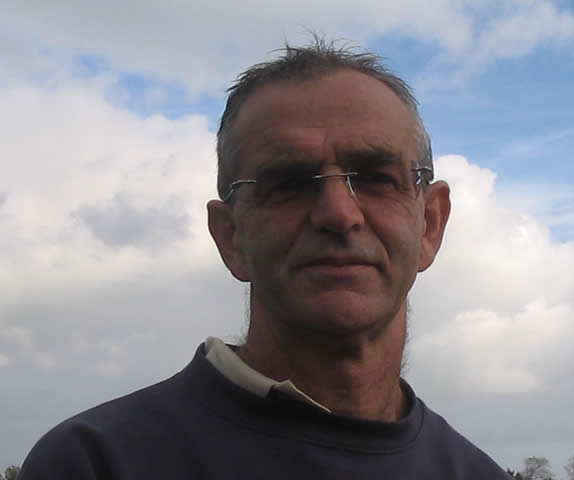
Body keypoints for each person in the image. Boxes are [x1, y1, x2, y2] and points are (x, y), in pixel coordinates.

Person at [19, 39, 511, 479]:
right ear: (230, 236)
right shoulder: (93, 464)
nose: (339, 214)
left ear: (430, 224)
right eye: (289, 183)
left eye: (377, 178)